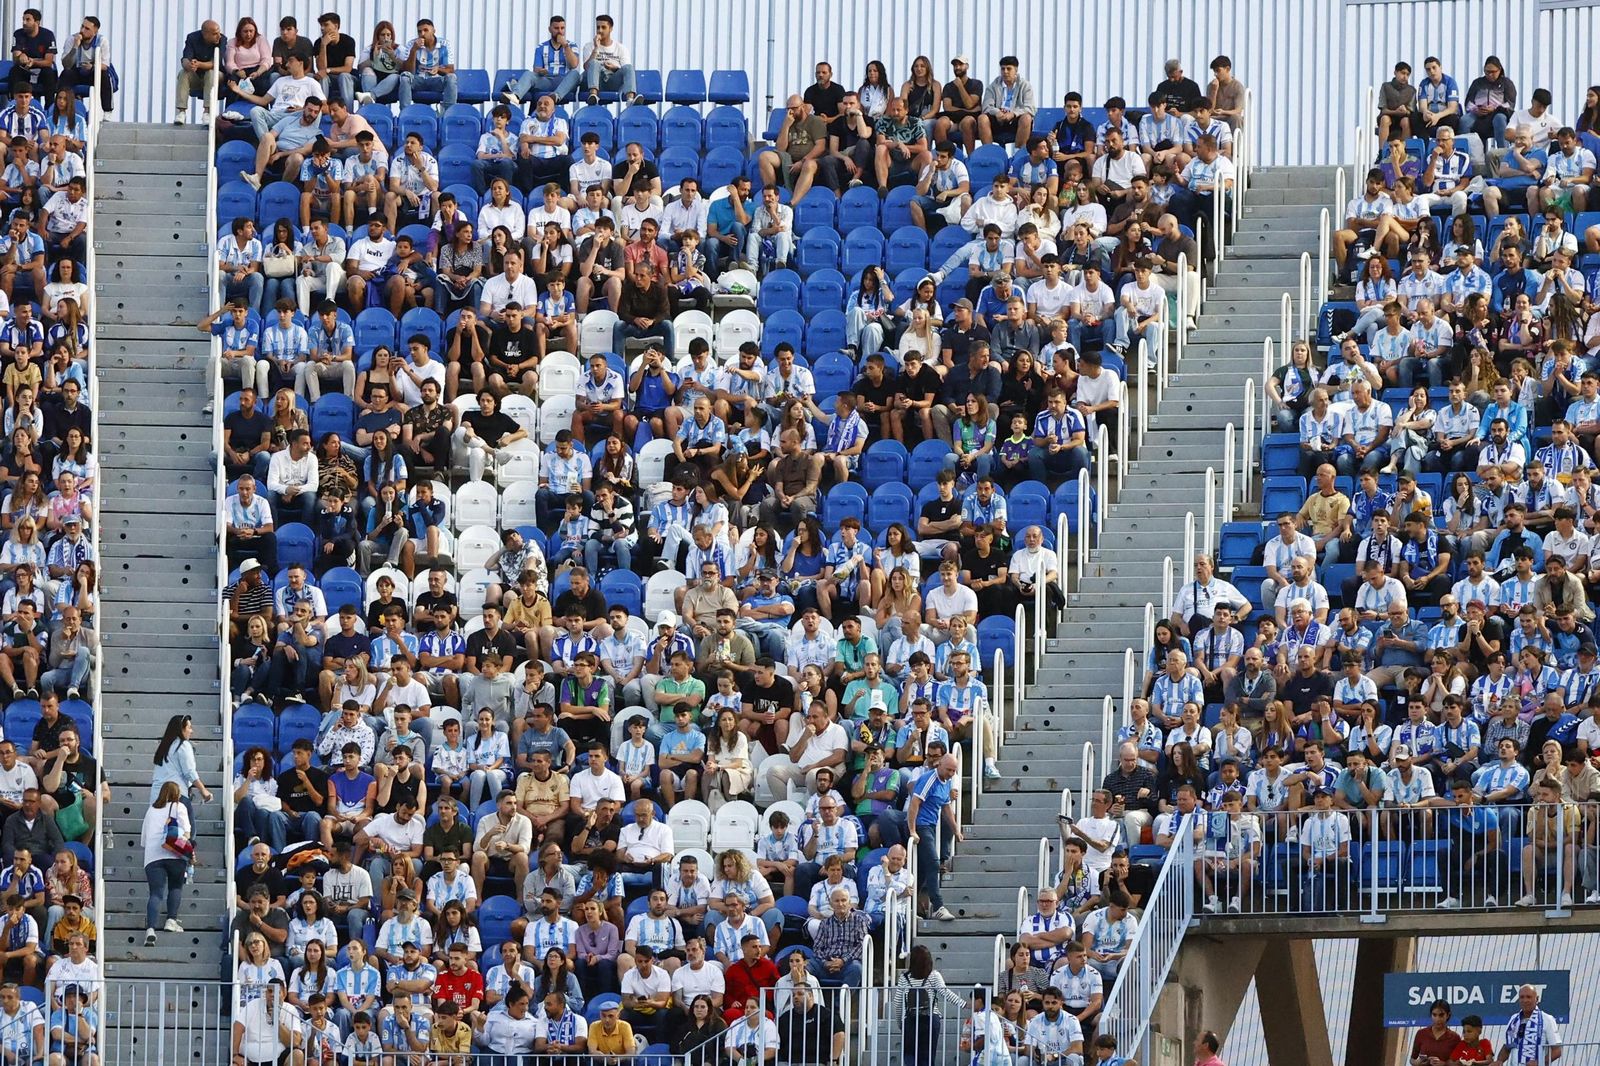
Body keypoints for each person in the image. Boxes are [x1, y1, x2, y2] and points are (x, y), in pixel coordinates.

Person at [142, 781, 191, 949]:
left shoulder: (151, 810)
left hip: (153, 856)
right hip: (175, 854)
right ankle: (171, 920)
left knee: (155, 893)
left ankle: (150, 929)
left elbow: (144, 839)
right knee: (175, 887)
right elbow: (186, 832)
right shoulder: (179, 807)